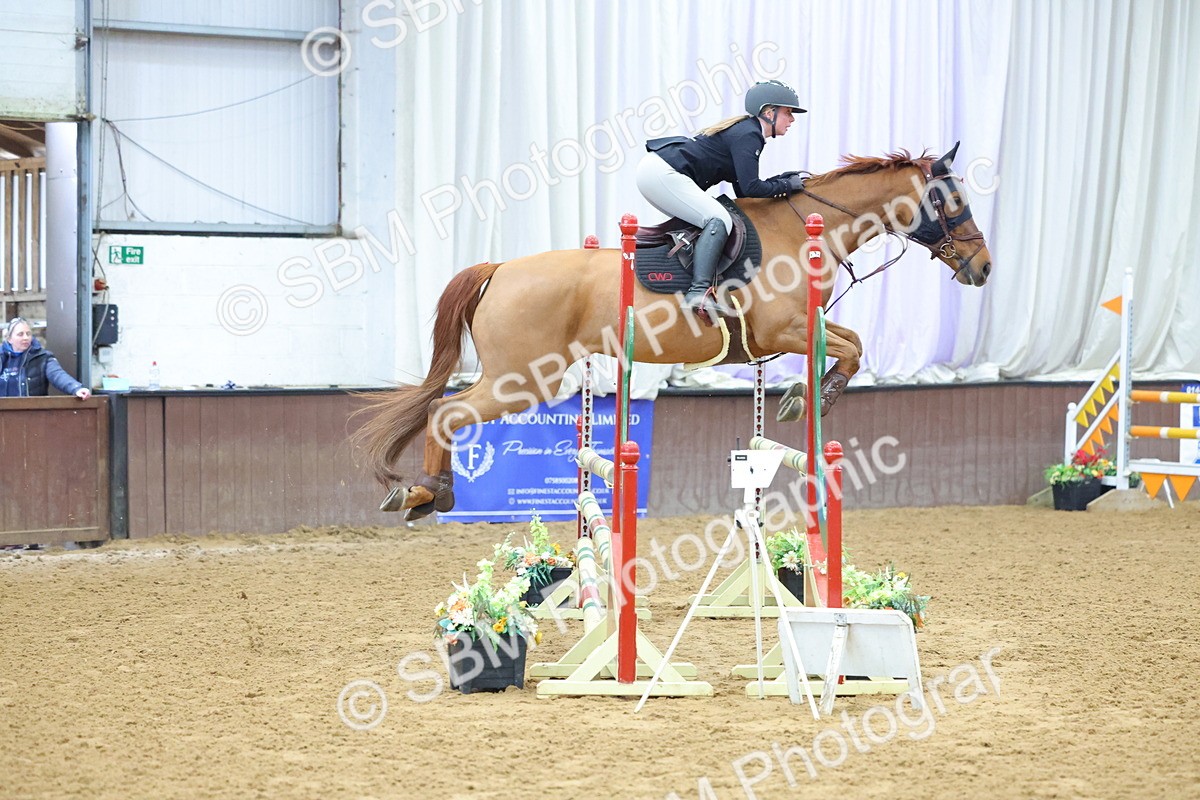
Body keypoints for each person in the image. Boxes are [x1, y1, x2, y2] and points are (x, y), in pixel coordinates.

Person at [636, 79, 807, 320]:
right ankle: (697, 292)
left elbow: (744, 193)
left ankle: (689, 279)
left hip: (658, 171)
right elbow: (752, 187)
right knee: (718, 218)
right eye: (788, 112)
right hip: (663, 173)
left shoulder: (747, 132)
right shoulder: (749, 134)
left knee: (712, 219)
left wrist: (780, 182)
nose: (792, 120)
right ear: (769, 113)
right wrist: (786, 185)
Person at [1, 317, 91, 399]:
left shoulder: (43, 357)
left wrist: (76, 388)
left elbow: (58, 375)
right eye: (20, 334)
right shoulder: (2, 358)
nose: (26, 337)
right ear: (9, 339)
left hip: (33, 413)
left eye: (28, 334)